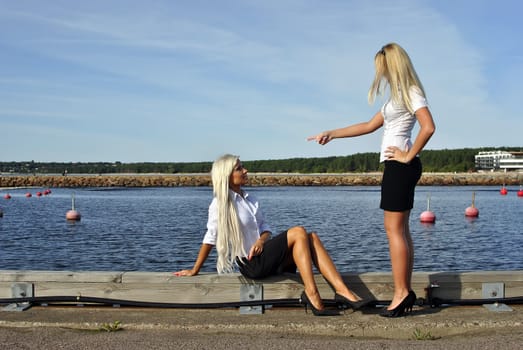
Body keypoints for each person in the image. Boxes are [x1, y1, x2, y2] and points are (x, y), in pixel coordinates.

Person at [308, 43, 436, 317]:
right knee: (400, 231)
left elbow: (429, 127)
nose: (381, 74)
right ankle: (404, 291)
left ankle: (401, 293)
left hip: (400, 167)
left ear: (394, 65)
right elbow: (367, 125)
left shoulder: (411, 92)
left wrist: (408, 155)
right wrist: (332, 133)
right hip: (397, 167)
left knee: (394, 232)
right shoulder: (396, 97)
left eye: (384, 68)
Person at [174, 154, 366, 316]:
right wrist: (195, 269)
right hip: (252, 264)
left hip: (265, 255)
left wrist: (261, 240)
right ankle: (312, 293)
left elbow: (266, 228)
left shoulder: (250, 199)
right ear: (227, 175)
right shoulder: (220, 204)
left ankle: (343, 291)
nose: (245, 171)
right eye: (240, 169)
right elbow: (210, 237)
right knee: (299, 231)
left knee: (311, 237)